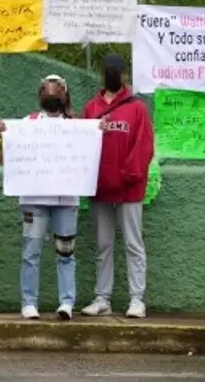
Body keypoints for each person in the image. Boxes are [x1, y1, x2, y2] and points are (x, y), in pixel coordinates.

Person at [0, 74, 77, 320]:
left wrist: (98, 131)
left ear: (65, 94)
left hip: (65, 200)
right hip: (34, 198)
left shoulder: (76, 125)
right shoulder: (28, 122)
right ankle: (29, 302)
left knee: (66, 252)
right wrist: (4, 134)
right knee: (31, 250)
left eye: (57, 88)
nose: (51, 92)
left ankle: (66, 302)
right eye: (46, 88)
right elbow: (12, 146)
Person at [80, 54, 154, 319]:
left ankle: (137, 300)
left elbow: (144, 146)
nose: (113, 75)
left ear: (124, 74)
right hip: (100, 189)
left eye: (117, 71)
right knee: (103, 245)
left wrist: (128, 174)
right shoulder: (91, 108)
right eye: (109, 71)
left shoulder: (137, 108)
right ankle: (103, 298)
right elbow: (80, 145)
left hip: (129, 189)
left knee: (134, 244)